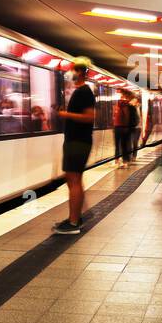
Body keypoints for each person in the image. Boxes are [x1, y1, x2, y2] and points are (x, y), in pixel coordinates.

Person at [53, 57, 97, 234]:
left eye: (72, 69)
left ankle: (73, 223)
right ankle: (76, 217)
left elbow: (89, 117)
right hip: (76, 141)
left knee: (73, 180)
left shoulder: (84, 92)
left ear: (79, 72)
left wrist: (64, 114)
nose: (69, 72)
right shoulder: (81, 91)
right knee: (74, 179)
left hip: (78, 141)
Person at [112, 89, 133, 167]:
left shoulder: (123, 105)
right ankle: (122, 160)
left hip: (119, 127)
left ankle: (120, 161)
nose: (119, 96)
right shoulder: (121, 105)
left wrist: (125, 126)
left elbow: (126, 116)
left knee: (119, 145)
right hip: (119, 127)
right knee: (122, 145)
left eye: (120, 94)